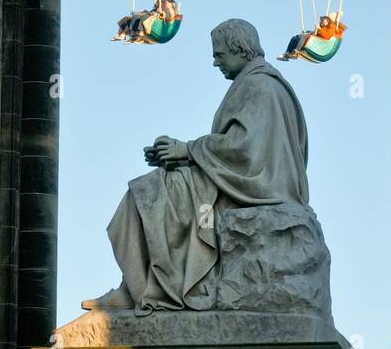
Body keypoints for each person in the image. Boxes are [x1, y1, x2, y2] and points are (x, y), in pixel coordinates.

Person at [82, 19, 311, 313]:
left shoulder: (260, 86)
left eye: (219, 54)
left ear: (240, 50)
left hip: (254, 190)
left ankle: (142, 289)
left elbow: (247, 151)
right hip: (241, 183)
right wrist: (181, 153)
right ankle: (136, 285)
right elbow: (239, 148)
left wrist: (187, 150)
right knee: (158, 186)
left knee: (150, 191)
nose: (215, 62)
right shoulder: (258, 83)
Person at [278, 11, 346, 61]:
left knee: (304, 37)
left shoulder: (332, 27)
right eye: (323, 20)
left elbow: (326, 36)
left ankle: (295, 52)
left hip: (323, 45)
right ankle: (287, 53)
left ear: (329, 22)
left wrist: (318, 29)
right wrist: (308, 32)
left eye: (325, 20)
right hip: (318, 40)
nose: (323, 22)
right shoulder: (323, 28)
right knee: (295, 37)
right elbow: (316, 33)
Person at [112, 0, 181, 43]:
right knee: (130, 18)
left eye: (164, 2)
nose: (162, 3)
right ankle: (122, 34)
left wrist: (161, 13)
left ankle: (139, 34)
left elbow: (169, 17)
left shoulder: (171, 10)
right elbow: (152, 13)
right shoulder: (159, 8)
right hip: (153, 23)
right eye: (161, 2)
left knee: (144, 17)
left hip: (163, 30)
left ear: (171, 3)